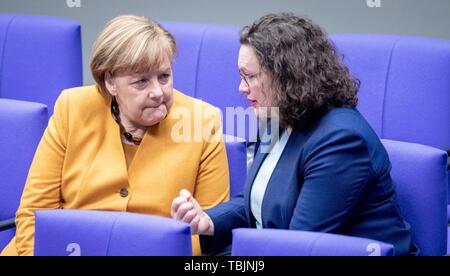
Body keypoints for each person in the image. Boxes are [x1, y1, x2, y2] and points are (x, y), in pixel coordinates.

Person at [171, 13, 418, 256]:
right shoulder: (275, 118)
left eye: (251, 76)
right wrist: (206, 221)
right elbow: (254, 201)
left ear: (287, 76)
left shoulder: (340, 140)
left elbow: (298, 245)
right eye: (241, 75)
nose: (242, 87)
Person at [1, 15, 229, 256]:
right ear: (110, 82)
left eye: (164, 76)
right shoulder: (72, 108)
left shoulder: (202, 121)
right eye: (141, 81)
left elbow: (209, 234)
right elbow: (33, 213)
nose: (158, 92)